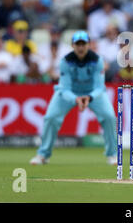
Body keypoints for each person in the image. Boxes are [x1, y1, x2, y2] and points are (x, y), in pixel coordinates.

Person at [30, 31, 117, 165]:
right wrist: (76, 99)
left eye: (83, 44)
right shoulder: (66, 61)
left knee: (109, 117)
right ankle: (43, 154)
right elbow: (64, 88)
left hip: (92, 93)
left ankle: (112, 154)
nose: (81, 47)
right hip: (69, 93)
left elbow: (100, 87)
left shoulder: (97, 60)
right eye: (78, 44)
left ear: (88, 45)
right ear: (72, 45)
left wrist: (89, 97)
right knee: (51, 118)